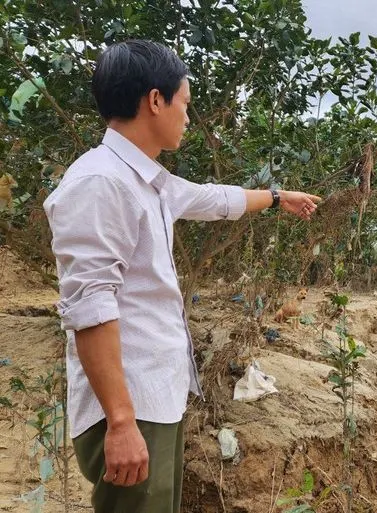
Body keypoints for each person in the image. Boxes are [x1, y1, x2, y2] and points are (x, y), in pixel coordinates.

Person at [43, 40, 321, 513]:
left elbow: (216, 200)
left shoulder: (148, 181)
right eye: (185, 103)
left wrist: (278, 197)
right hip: (130, 407)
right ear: (156, 100)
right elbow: (90, 309)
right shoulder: (99, 184)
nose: (188, 117)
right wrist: (122, 422)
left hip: (155, 397)